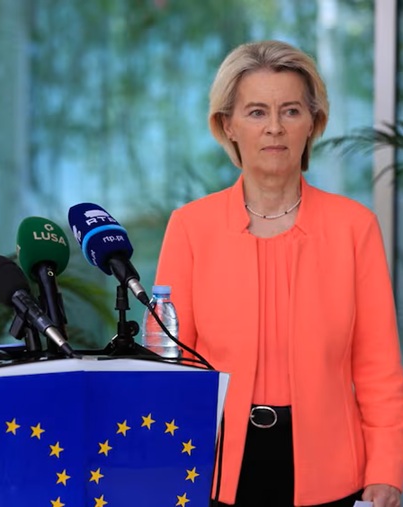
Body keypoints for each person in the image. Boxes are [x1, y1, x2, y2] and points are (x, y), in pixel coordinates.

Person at [155, 40, 403, 507]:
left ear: (313, 122)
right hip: (213, 468)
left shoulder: (355, 227)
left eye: (291, 111)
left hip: (335, 472)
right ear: (227, 125)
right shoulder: (190, 227)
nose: (274, 127)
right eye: (256, 112)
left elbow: (379, 369)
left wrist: (386, 469)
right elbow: (172, 366)